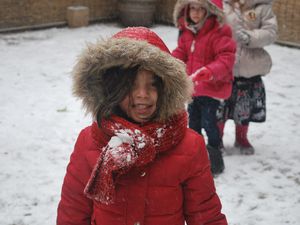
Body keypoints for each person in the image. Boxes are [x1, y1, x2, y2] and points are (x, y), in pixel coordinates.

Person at [56, 27, 228, 225]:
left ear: (166, 88)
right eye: (131, 85)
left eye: (153, 84)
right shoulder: (90, 142)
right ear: (112, 89)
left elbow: (206, 215)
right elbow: (73, 212)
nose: (142, 94)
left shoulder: (189, 146)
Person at [172, 0, 236, 175]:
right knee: (193, 124)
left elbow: (226, 58)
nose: (196, 13)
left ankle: (216, 159)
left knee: (210, 124)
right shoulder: (187, 31)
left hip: (211, 88)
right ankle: (195, 157)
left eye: (201, 9)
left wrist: (210, 71)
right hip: (193, 89)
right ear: (186, 10)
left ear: (210, 11)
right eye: (193, 8)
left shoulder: (219, 32)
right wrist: (170, 60)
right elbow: (182, 52)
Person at [217, 0, 278, 154]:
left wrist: (251, 37)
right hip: (224, 66)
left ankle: (241, 137)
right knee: (220, 108)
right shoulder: (222, 6)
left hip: (249, 67)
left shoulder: (262, 7)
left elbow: (271, 32)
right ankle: (217, 138)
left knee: (244, 108)